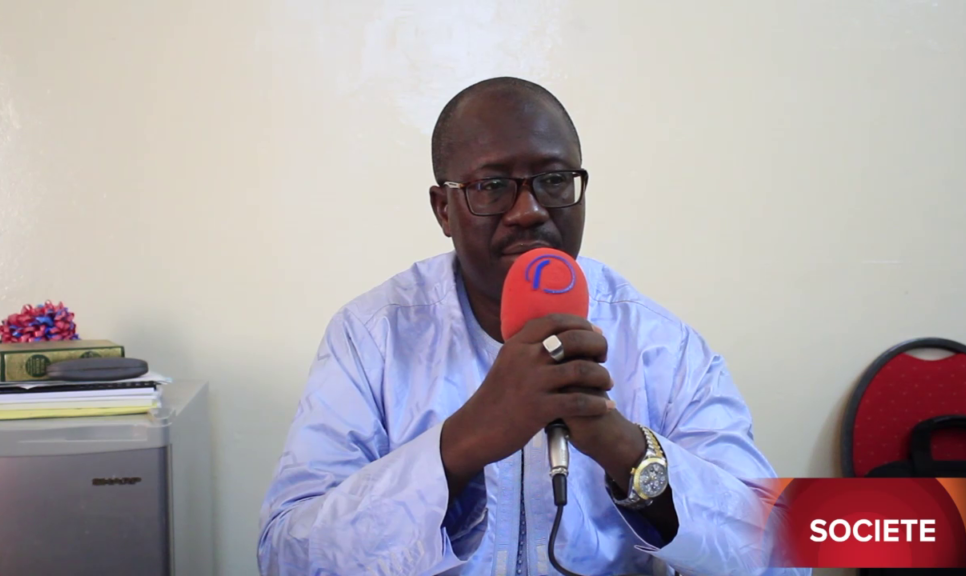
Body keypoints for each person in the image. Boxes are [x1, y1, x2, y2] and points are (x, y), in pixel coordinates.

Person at [258, 77, 806, 576]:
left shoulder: (661, 344)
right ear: (444, 208)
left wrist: (627, 451)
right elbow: (286, 557)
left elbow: (788, 556)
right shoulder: (371, 337)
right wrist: (460, 445)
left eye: (554, 180)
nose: (528, 211)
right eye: (492, 186)